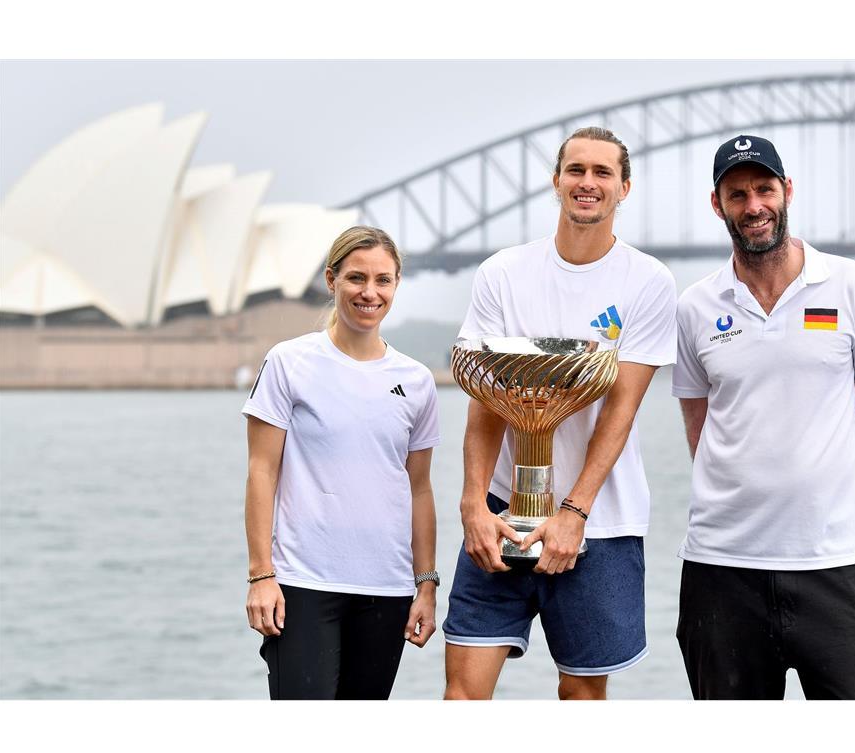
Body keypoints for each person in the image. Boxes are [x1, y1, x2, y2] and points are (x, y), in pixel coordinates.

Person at [442, 127, 677, 700]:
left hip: (600, 519)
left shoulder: (648, 281)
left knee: (580, 696)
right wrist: (473, 503)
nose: (587, 183)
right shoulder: (503, 273)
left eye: (602, 173)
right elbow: (486, 400)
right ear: (556, 181)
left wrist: (574, 512)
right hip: (502, 510)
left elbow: (620, 410)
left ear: (624, 188)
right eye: (576, 170)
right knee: (463, 693)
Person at [672, 135, 855, 700]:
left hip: (838, 567)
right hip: (721, 570)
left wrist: (831, 493)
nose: (754, 206)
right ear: (717, 204)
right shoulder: (695, 307)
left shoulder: (853, 287)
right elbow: (700, 425)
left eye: (764, 189)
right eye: (737, 194)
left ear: (787, 191)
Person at [242, 225, 441, 699]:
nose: (370, 293)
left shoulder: (416, 381)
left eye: (383, 280)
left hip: (387, 589)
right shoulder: (289, 362)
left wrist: (427, 586)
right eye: (356, 278)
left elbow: (418, 488)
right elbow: (261, 472)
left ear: (396, 285)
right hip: (303, 583)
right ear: (331, 280)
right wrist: (261, 575)